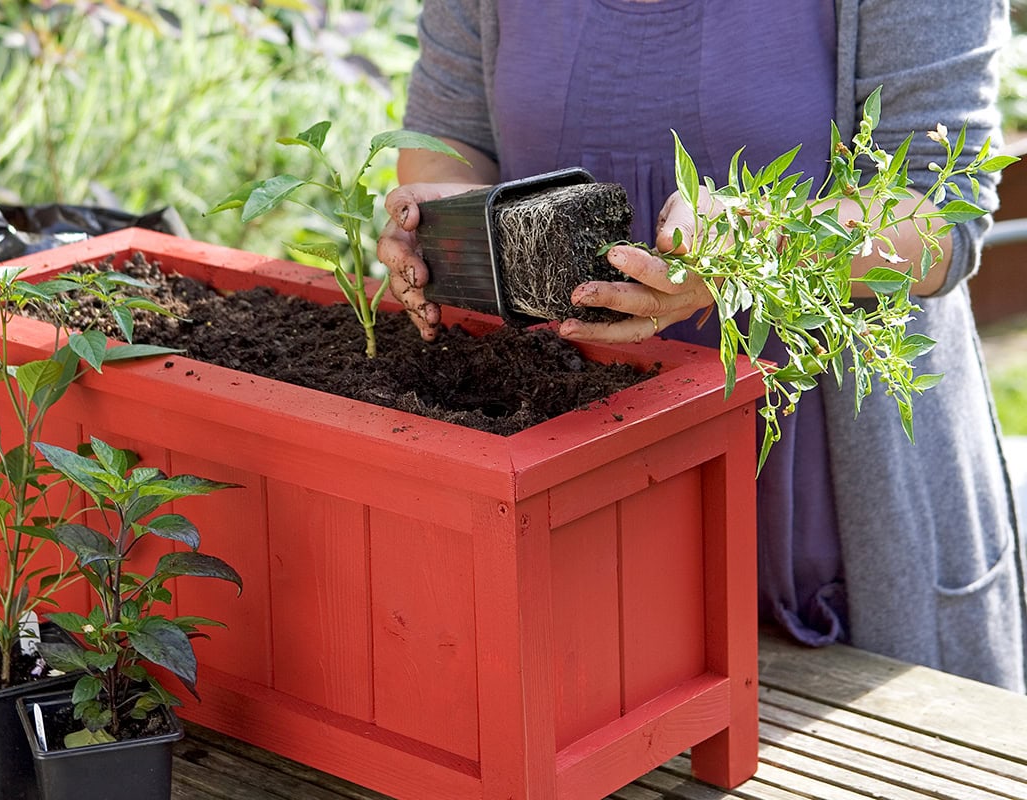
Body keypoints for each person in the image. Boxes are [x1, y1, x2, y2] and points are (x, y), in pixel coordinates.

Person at [376, 0, 1027, 692]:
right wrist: (443, 223)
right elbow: (449, 137)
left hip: (825, 495)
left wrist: (752, 243)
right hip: (568, 478)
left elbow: (937, 216)